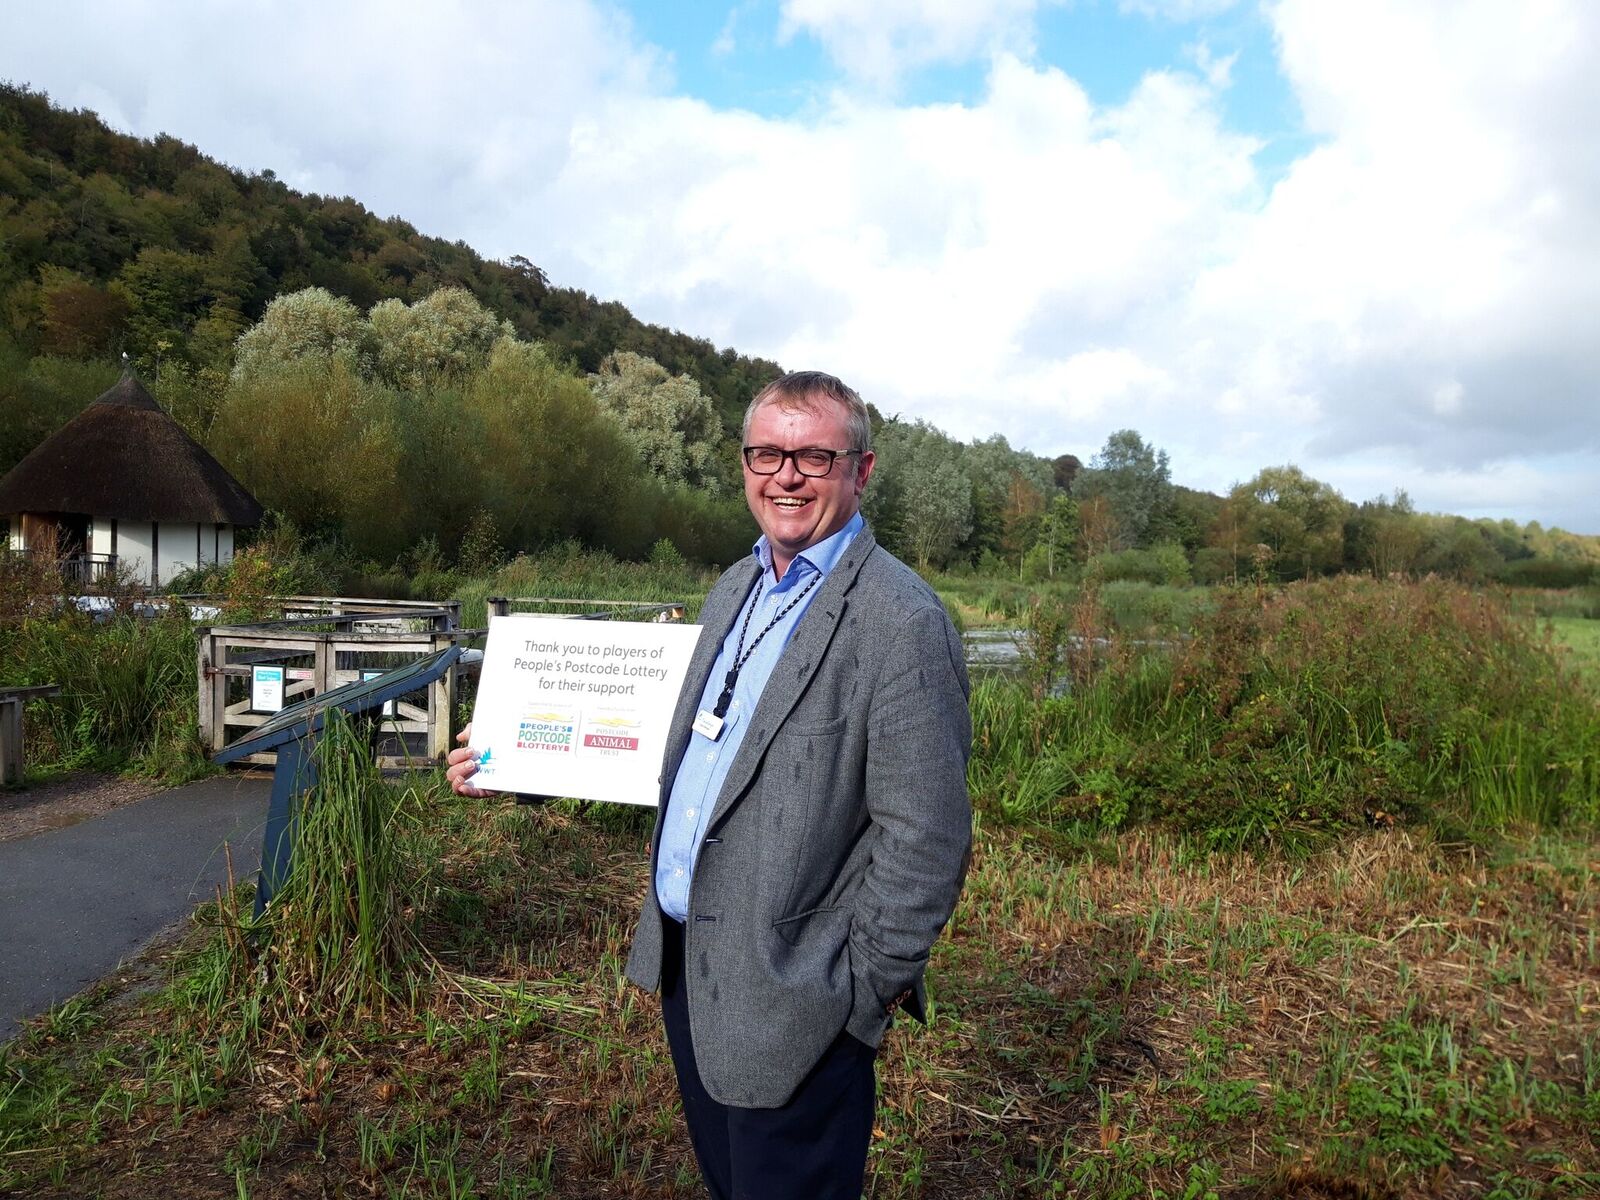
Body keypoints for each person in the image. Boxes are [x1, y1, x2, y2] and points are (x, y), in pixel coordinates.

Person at [448, 371, 971, 1199]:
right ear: (744, 464)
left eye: (813, 456)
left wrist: (856, 1004)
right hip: (691, 969)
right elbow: (675, 754)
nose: (785, 476)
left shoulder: (902, 622)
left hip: (801, 993)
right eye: (766, 454)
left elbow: (929, 839)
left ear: (861, 470)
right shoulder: (735, 585)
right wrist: (516, 761)